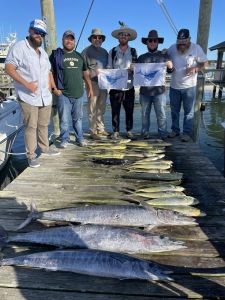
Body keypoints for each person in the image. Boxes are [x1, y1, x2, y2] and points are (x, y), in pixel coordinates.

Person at [5, 19, 60, 168]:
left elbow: (48, 72)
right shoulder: (19, 47)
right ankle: (31, 155)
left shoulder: (42, 52)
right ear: (30, 31)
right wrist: (27, 84)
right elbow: (9, 68)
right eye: (36, 32)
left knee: (43, 124)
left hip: (45, 96)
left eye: (42, 33)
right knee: (31, 126)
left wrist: (52, 88)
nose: (39, 35)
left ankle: (45, 148)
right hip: (28, 96)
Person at [49, 30, 93, 148]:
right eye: (66, 38)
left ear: (74, 41)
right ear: (62, 40)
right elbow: (49, 73)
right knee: (64, 120)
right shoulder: (55, 55)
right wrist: (54, 88)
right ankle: (65, 139)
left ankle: (80, 138)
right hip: (63, 94)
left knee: (78, 119)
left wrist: (90, 87)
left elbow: (85, 73)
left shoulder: (79, 56)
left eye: (71, 39)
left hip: (79, 93)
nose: (69, 41)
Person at [167, 28, 208, 142]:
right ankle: (175, 130)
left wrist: (196, 68)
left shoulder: (196, 48)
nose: (182, 44)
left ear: (189, 40)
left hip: (189, 87)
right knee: (174, 110)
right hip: (174, 86)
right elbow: (165, 57)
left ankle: (186, 133)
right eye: (179, 42)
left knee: (188, 112)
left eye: (184, 41)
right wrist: (163, 52)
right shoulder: (172, 48)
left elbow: (205, 62)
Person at [137, 30, 174, 140]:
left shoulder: (165, 56)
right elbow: (137, 74)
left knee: (161, 115)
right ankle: (145, 133)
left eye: (155, 40)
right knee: (144, 115)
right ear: (147, 42)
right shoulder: (141, 57)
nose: (152, 42)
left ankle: (162, 134)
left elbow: (171, 71)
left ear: (158, 42)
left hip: (160, 92)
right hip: (144, 92)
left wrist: (170, 66)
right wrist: (133, 68)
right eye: (150, 40)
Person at [108, 22, 137, 139]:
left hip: (129, 86)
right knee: (115, 110)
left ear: (128, 37)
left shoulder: (134, 51)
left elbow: (137, 67)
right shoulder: (112, 51)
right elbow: (109, 68)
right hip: (115, 87)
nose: (123, 36)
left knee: (129, 111)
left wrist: (134, 68)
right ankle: (116, 131)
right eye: (121, 35)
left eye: (126, 35)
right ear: (118, 37)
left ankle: (129, 130)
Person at [81, 29, 109, 140]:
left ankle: (101, 128)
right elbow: (83, 70)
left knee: (101, 108)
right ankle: (93, 131)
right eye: (95, 37)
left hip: (104, 83)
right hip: (92, 83)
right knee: (92, 108)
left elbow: (108, 67)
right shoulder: (86, 51)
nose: (97, 39)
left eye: (99, 37)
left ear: (102, 39)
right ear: (91, 39)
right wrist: (88, 85)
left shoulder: (105, 52)